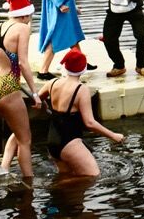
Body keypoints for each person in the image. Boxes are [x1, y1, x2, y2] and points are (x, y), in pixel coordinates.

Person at [40, 49, 125, 177]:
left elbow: (36, 99)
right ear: (83, 69)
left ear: (65, 66)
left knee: (65, 177)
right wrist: (113, 136)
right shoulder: (81, 90)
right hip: (70, 142)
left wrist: (43, 104)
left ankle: (54, 187)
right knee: (93, 176)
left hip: (52, 141)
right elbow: (89, 123)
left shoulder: (52, 83)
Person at [0, 0, 43, 181]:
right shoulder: (22, 28)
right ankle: (29, 181)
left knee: (18, 131)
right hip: (8, 86)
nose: (30, 20)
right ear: (24, 14)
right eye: (30, 16)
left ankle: (3, 169)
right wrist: (35, 94)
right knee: (25, 140)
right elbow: (22, 63)